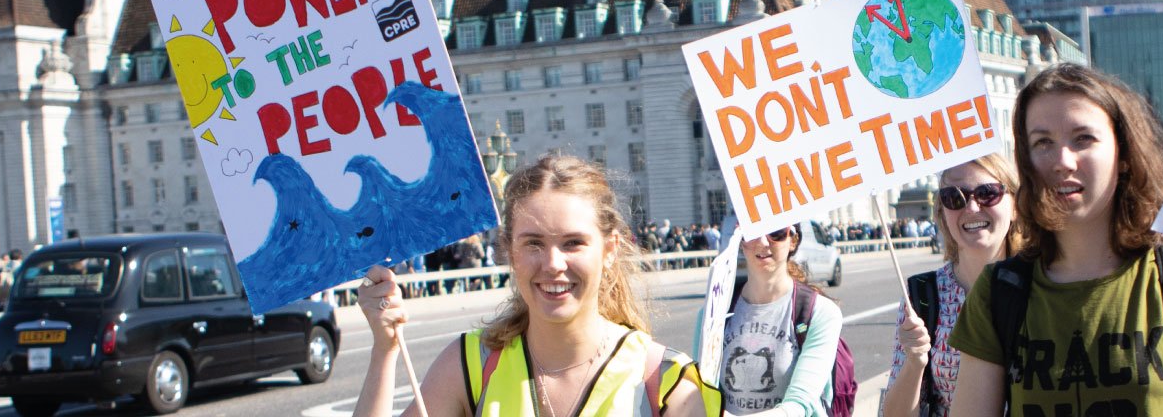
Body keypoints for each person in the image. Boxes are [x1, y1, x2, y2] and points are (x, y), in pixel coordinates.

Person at [949, 64, 1163, 416]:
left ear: (1122, 155)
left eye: (1083, 139)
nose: (1062, 161)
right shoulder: (999, 292)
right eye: (1042, 142)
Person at [352, 156, 721, 416]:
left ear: (609, 249)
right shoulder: (470, 365)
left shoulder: (665, 381)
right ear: (509, 251)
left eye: (573, 242)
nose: (553, 264)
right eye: (533, 244)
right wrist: (384, 350)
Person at [882, 154, 1023, 417]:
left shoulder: (1044, 283)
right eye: (954, 197)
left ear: (1015, 205)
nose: (971, 207)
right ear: (942, 214)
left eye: (987, 193)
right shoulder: (923, 295)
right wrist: (915, 361)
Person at [703, 223, 842, 416]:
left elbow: (799, 405)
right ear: (741, 241)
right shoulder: (713, 312)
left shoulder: (821, 312)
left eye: (776, 233)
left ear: (793, 240)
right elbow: (703, 390)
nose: (762, 242)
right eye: (751, 233)